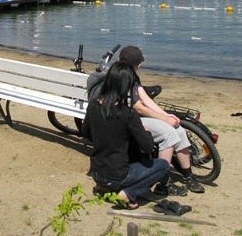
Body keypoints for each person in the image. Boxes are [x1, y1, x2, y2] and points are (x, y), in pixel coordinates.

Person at [88, 46, 205, 196]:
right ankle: (164, 183)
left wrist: (167, 116)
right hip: (127, 118)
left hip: (129, 116)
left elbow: (145, 99)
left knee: (180, 130)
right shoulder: (122, 77)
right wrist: (164, 120)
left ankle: (188, 175)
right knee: (168, 134)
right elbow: (138, 108)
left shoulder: (125, 74)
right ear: (137, 65)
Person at [81, 61, 169, 209]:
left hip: (97, 172)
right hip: (118, 175)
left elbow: (86, 133)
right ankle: (128, 193)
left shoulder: (93, 105)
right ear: (125, 86)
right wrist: (144, 131)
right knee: (163, 166)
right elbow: (147, 147)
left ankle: (104, 187)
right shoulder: (127, 113)